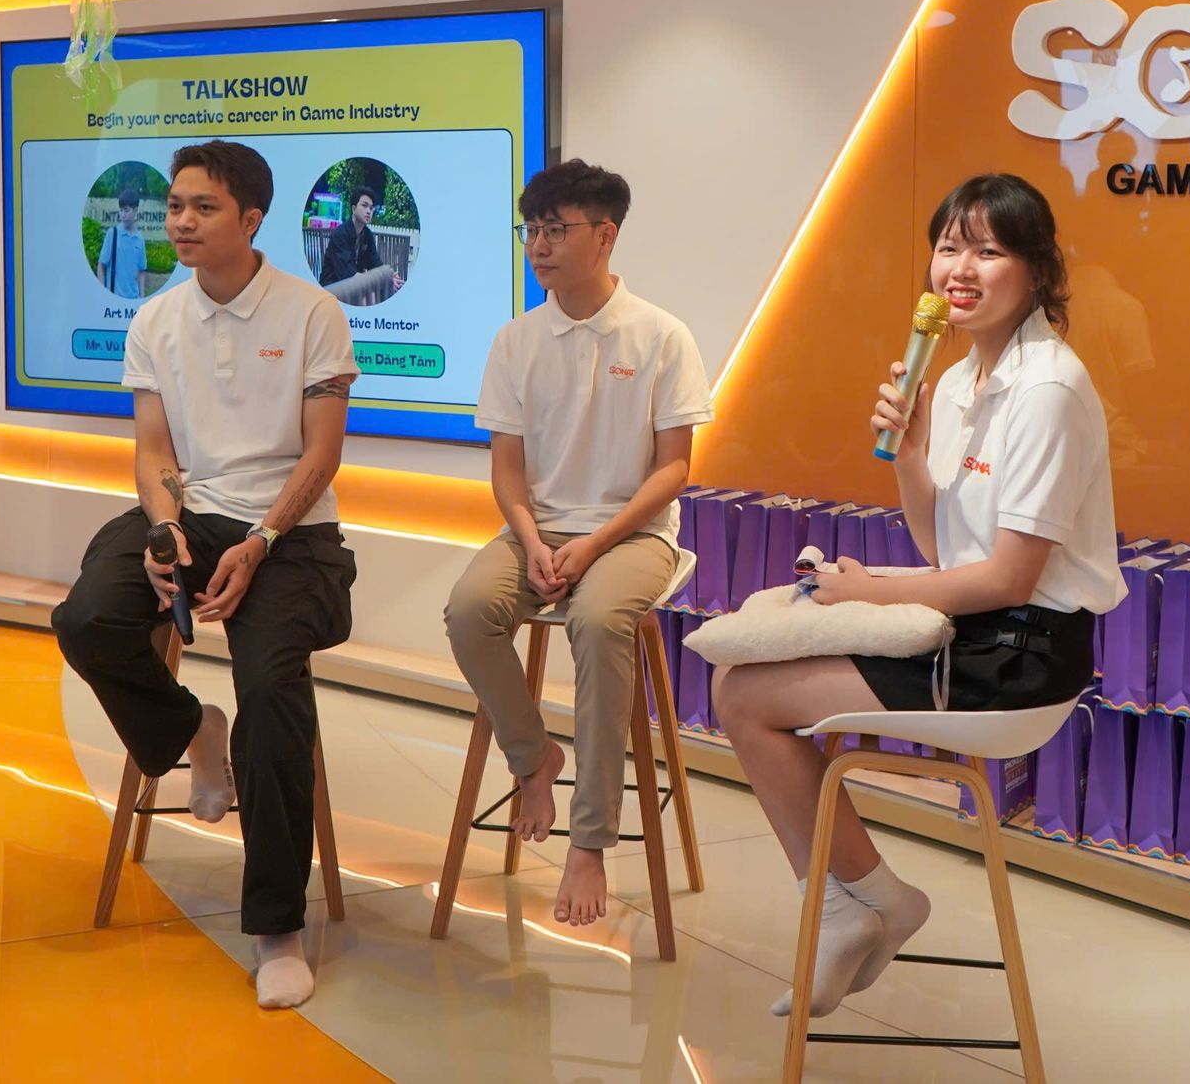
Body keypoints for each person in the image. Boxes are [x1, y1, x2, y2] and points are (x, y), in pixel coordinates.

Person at [712, 172, 1121, 1019]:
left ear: (1038, 271)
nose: (959, 270)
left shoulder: (1046, 389)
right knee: (739, 675)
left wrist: (871, 594)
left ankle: (862, 906)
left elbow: (1008, 578)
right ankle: (861, 902)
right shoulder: (959, 377)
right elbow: (943, 547)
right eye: (948, 247)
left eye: (988, 251)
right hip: (973, 628)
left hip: (1023, 655)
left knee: (746, 695)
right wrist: (907, 454)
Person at [52, 140, 359, 1011]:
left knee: (273, 693)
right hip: (191, 511)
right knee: (87, 619)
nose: (181, 221)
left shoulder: (312, 313)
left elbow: (322, 455)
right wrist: (161, 533)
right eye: (176, 207)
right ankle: (195, 731)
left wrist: (259, 540)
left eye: (203, 207)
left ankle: (276, 929)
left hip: (292, 534)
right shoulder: (156, 320)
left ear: (252, 219)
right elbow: (153, 452)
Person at [444, 159, 713, 929]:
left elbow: (675, 470)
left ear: (604, 235)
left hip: (632, 533)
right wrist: (532, 540)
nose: (539, 245)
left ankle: (589, 840)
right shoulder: (516, 340)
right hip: (537, 530)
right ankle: (534, 759)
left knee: (597, 623)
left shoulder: (661, 335)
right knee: (468, 611)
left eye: (555, 230)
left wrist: (593, 544)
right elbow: (506, 469)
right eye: (531, 229)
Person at [318, 185, 405, 296]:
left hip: (353, 289)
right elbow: (348, 275)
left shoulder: (367, 235)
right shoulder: (340, 234)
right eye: (364, 206)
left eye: (371, 208)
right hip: (331, 289)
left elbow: (375, 264)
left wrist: (388, 276)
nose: (368, 211)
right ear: (354, 209)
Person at [98, 187, 148, 298]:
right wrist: (103, 293)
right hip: (114, 298)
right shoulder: (113, 234)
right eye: (121, 210)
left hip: (133, 299)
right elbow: (101, 266)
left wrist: (142, 296)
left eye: (126, 210)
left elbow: (141, 271)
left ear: (135, 211)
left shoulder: (139, 239)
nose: (122, 215)